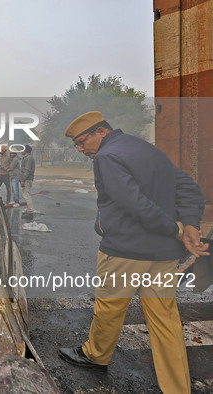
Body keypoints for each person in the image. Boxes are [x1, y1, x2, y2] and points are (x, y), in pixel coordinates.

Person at [59, 111, 209, 394]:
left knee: (109, 308)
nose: (80, 150)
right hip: (163, 255)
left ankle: (96, 356)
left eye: (82, 141)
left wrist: (177, 229)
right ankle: (177, 388)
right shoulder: (147, 149)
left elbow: (134, 204)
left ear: (101, 132)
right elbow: (189, 188)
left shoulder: (106, 156)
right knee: (165, 319)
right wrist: (190, 224)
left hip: (125, 252)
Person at [20, 145, 35, 213]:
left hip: (27, 179)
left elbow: (27, 170)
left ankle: (30, 209)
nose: (21, 150)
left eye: (22, 149)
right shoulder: (26, 158)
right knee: (25, 194)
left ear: (26, 150)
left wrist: (23, 180)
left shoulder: (29, 158)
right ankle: (29, 208)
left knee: (26, 194)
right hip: (26, 178)